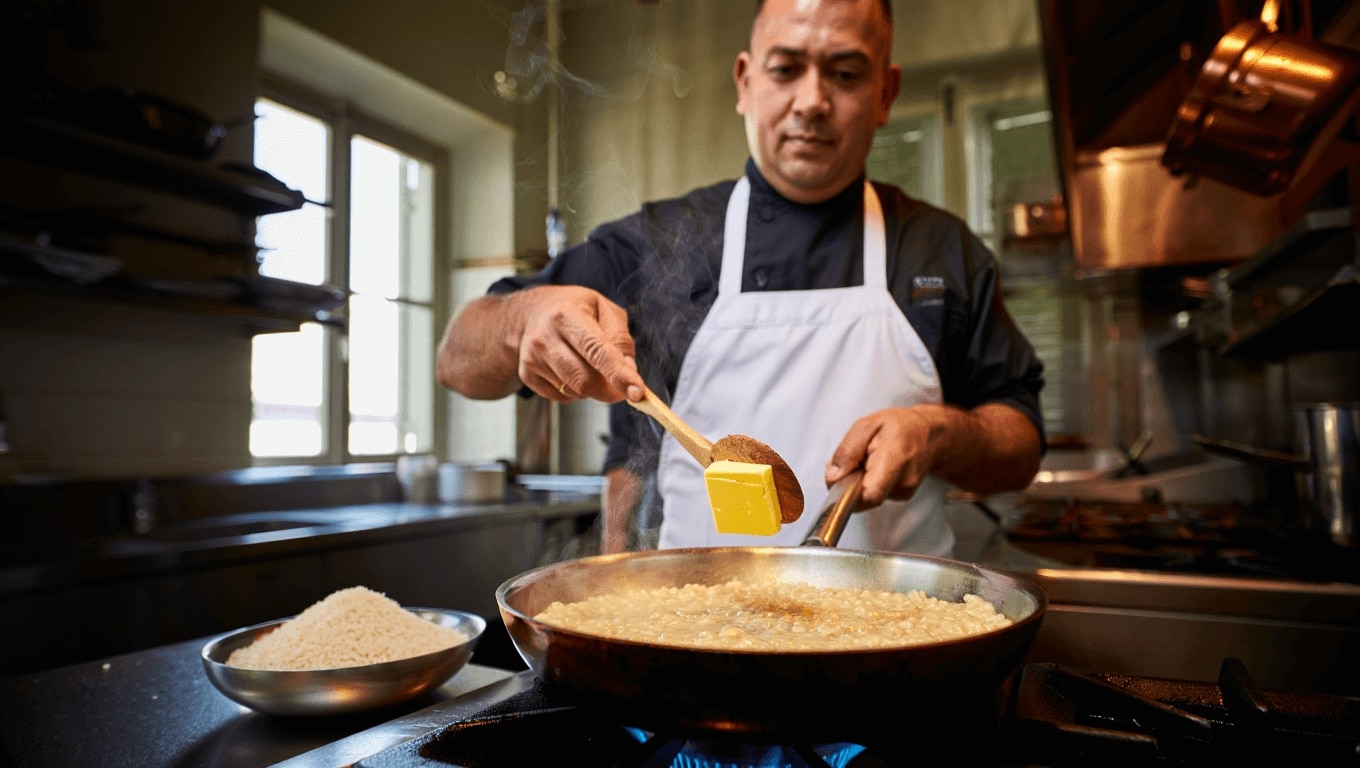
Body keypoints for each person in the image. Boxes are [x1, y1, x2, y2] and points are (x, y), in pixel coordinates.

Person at [437, 0, 1045, 557]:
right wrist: (522, 320)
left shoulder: (942, 251)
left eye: (844, 73)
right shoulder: (660, 242)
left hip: (901, 633)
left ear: (885, 94)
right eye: (786, 70)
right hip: (693, 626)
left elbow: (1021, 446)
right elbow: (457, 360)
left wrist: (946, 434)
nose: (812, 101)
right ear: (746, 82)